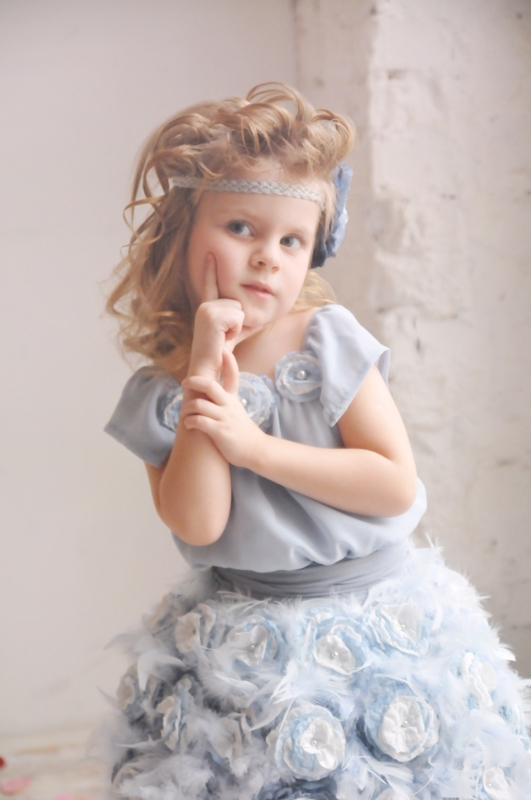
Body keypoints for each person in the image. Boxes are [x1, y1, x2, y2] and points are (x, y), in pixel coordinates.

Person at [101, 84, 530, 800]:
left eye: (291, 241)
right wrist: (205, 367)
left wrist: (254, 448)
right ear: (181, 233)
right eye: (241, 227)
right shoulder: (162, 387)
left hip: (369, 618)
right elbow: (198, 522)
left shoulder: (325, 340)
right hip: (241, 635)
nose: (267, 257)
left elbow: (392, 484)